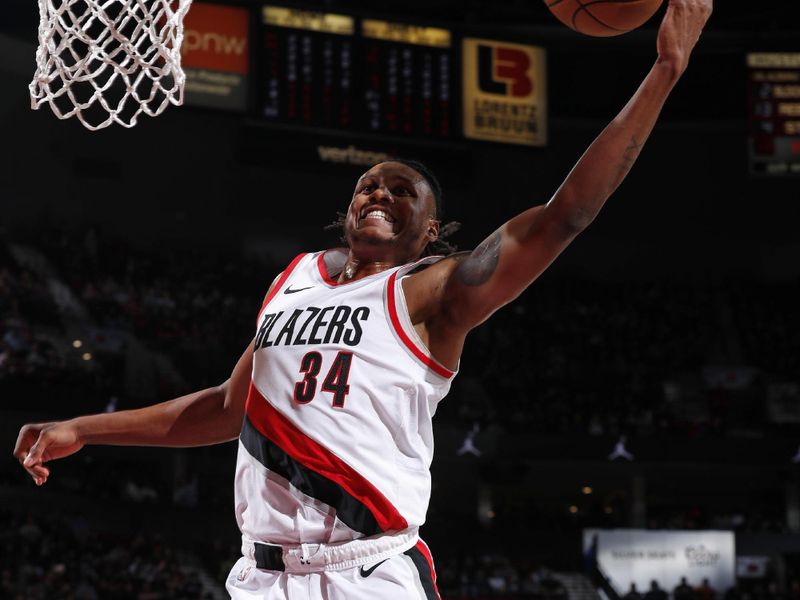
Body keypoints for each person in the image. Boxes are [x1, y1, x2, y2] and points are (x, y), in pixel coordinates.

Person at [13, 1, 713, 598]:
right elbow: (230, 409)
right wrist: (85, 428)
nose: (378, 191)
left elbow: (564, 216)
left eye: (401, 190)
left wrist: (665, 71)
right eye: (368, 186)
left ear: (430, 232)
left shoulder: (432, 292)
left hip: (367, 571)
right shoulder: (294, 280)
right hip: (257, 577)